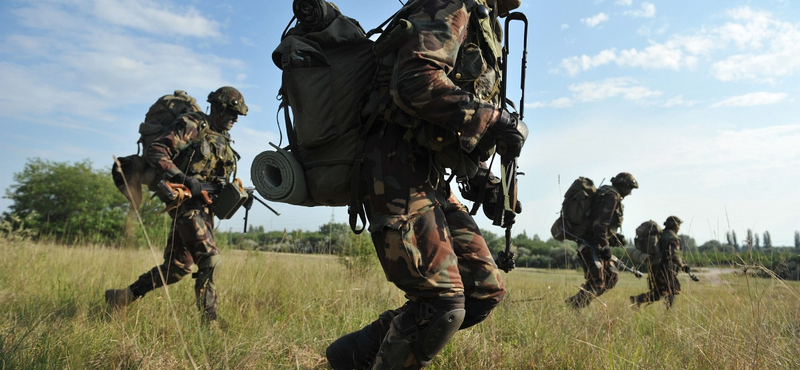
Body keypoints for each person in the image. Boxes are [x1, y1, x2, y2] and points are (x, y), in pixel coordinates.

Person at [324, 0, 528, 369]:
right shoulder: (453, 4)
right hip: (394, 162)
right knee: (442, 303)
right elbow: (414, 80)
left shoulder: (484, 23)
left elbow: (447, 119)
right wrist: (494, 120)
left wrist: (481, 175)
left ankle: (355, 355)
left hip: (429, 170)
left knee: (483, 290)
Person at [105, 86, 248, 323]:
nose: (235, 119)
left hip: (204, 207)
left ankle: (122, 297)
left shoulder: (221, 136)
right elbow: (157, 150)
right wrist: (183, 179)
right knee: (210, 259)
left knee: (178, 267)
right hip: (184, 202)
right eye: (232, 113)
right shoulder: (192, 124)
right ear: (218, 107)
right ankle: (209, 324)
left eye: (238, 116)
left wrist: (237, 195)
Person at [565, 172, 638, 309]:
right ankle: (573, 306)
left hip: (596, 242)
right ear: (622, 185)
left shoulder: (608, 194)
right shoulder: (611, 196)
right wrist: (605, 246)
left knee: (611, 277)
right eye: (629, 188)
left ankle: (574, 304)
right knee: (597, 281)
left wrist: (614, 238)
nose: (629, 193)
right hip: (592, 244)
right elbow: (599, 224)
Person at [631, 216, 689, 309]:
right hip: (665, 269)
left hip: (656, 267)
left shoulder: (662, 234)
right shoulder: (672, 237)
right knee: (672, 289)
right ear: (675, 226)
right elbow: (674, 254)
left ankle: (637, 299)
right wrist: (682, 265)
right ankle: (669, 312)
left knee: (660, 292)